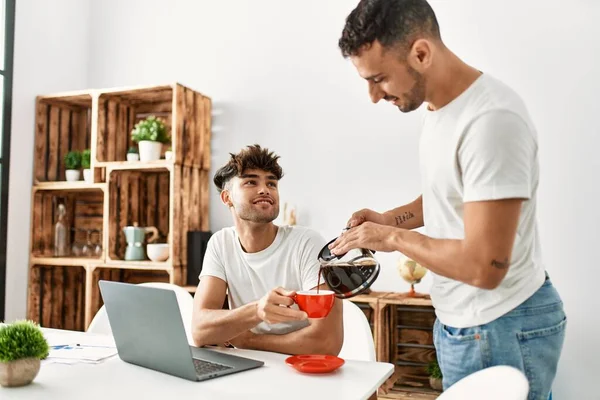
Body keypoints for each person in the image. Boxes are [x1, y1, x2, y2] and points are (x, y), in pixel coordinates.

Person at [331, 1, 566, 398]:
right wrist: (391, 219)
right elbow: (453, 193)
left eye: (380, 78)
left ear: (421, 54)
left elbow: (485, 267)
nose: (373, 96)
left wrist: (392, 239)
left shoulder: (491, 122)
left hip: (501, 325)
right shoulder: (439, 110)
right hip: (464, 324)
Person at [191, 144, 343, 356]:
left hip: (301, 372)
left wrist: (247, 340)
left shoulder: (307, 243)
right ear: (227, 198)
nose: (265, 189)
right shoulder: (220, 243)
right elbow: (199, 330)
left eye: (271, 183)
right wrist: (256, 311)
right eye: (251, 182)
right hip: (248, 369)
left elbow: (327, 342)